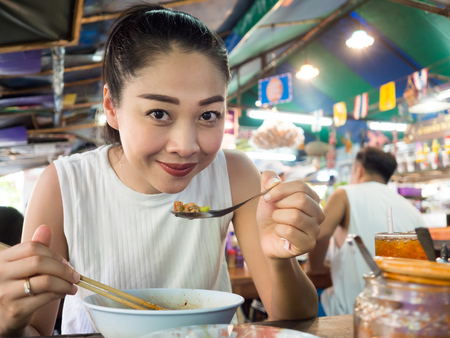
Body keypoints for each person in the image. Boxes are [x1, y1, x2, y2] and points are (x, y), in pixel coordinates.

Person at [0, 4, 325, 337]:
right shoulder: (65, 183)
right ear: (112, 107)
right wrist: (7, 321)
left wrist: (279, 258)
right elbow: (35, 331)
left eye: (208, 115)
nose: (185, 146)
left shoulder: (235, 173)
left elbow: (294, 318)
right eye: (158, 113)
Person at [307, 146, 426, 316]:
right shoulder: (412, 210)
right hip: (405, 314)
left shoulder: (345, 194)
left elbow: (318, 237)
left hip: (353, 313)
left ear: (359, 170)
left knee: (305, 300)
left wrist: (316, 268)